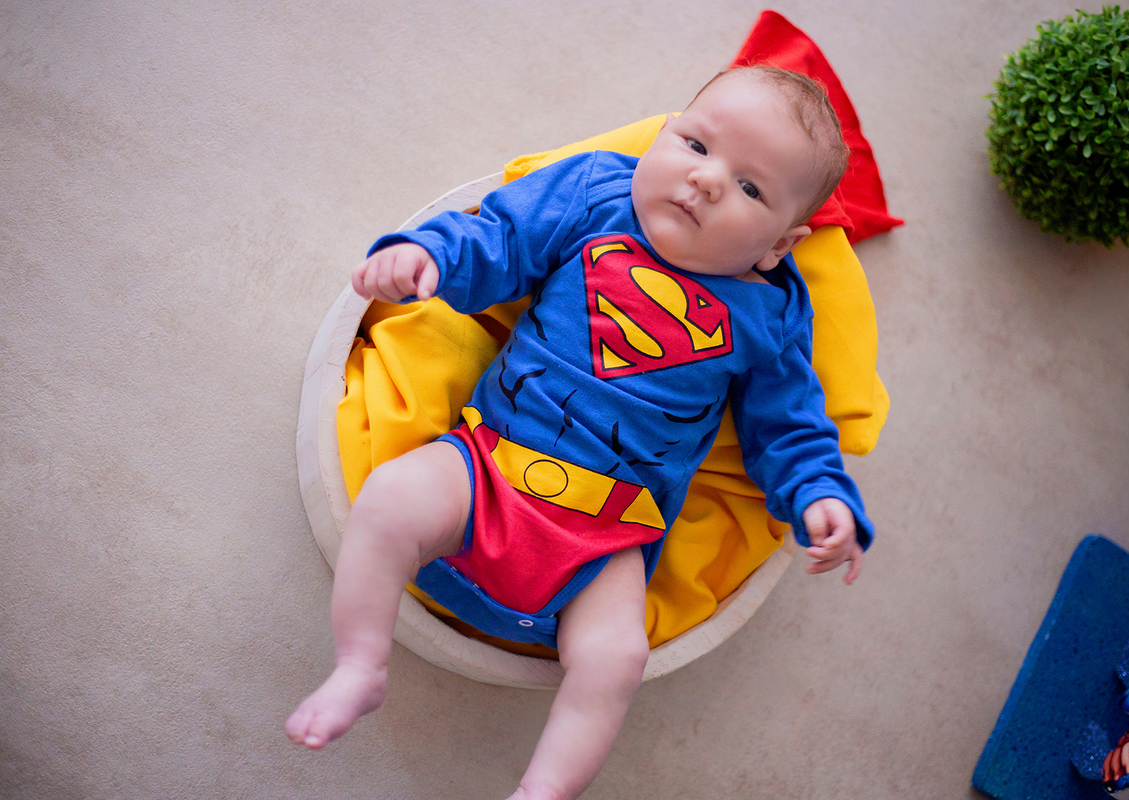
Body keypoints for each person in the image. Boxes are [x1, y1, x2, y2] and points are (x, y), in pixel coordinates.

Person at [287, 66, 874, 800]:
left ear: (779, 246)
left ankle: (544, 790)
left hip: (609, 529)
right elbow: (499, 237)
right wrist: (429, 256)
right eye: (695, 146)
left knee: (617, 657)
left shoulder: (770, 316)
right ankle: (359, 665)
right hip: (489, 463)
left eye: (750, 188)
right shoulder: (595, 195)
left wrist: (819, 492)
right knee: (389, 498)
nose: (706, 181)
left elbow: (790, 424)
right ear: (661, 136)